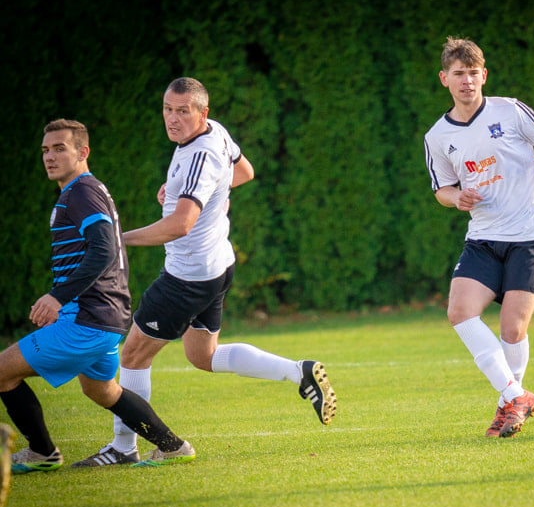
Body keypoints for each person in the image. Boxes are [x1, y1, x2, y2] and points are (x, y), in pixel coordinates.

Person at [74, 77, 337, 467]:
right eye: (168, 109)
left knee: (132, 357)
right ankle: (297, 373)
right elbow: (244, 172)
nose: (173, 119)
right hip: (216, 266)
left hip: (187, 276)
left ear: (203, 113)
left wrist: (116, 238)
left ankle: (123, 448)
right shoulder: (217, 134)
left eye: (183, 111)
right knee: (203, 356)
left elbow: (180, 225)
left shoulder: (200, 156)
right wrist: (196, 191)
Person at [0, 119, 195, 473]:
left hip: (86, 319)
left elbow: (104, 249)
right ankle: (172, 446)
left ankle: (42, 452)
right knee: (102, 391)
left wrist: (58, 297)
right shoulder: (84, 191)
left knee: (2, 372)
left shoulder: (81, 192)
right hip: (104, 318)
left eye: (60, 148)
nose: (50, 156)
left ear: (82, 152)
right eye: (46, 150)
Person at [423, 37, 534, 438]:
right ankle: (515, 395)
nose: (467, 81)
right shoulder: (438, 136)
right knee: (459, 311)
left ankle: (509, 405)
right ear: (444, 79)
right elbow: (441, 190)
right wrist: (457, 198)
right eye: (458, 74)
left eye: (473, 73)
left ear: (483, 75)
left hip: (532, 234)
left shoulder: (511, 110)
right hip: (483, 237)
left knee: (512, 329)